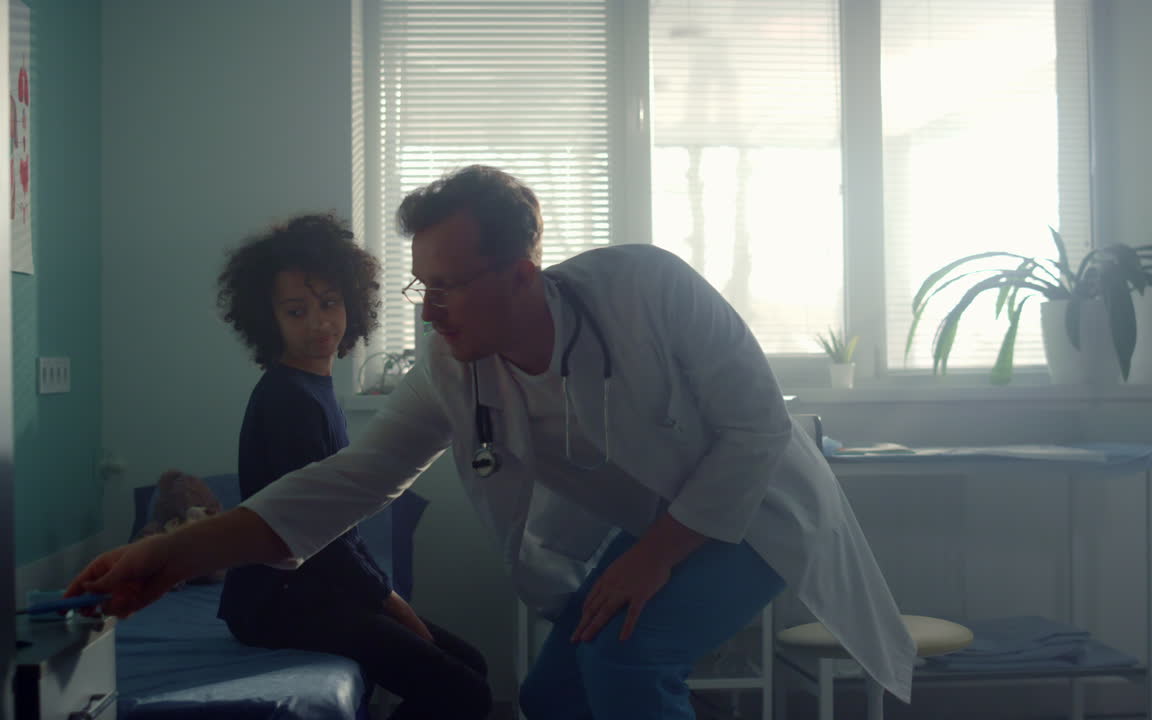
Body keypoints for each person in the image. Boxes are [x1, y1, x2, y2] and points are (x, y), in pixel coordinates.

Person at [68, 167, 916, 719]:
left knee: (627, 659)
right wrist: (169, 554)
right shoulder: (452, 366)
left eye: (448, 285)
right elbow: (350, 481)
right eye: (422, 285)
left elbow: (757, 429)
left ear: (521, 274)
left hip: (753, 507)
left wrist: (656, 555)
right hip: (657, 518)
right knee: (552, 695)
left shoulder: (648, 289)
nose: (429, 308)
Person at [211, 213, 490, 720]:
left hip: (316, 590)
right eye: (296, 311)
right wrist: (390, 601)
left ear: (352, 304)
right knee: (464, 691)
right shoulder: (288, 399)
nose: (319, 323)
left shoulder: (315, 388)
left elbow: (340, 522)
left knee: (471, 667)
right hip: (277, 602)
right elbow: (318, 536)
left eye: (330, 303)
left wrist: (384, 597)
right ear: (269, 320)